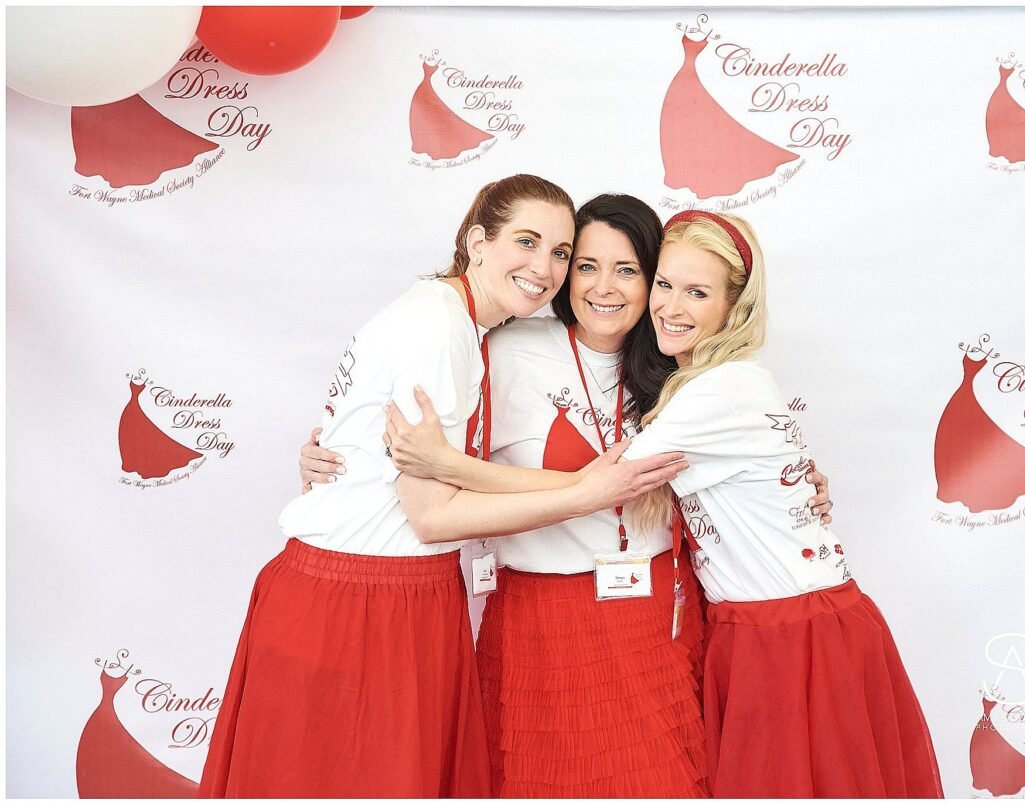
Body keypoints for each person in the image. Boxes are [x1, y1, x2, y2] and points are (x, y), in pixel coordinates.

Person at [300, 194, 834, 797]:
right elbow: (407, 437)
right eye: (585, 266)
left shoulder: (678, 365)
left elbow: (746, 458)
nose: (605, 287)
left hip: (660, 622)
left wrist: (800, 485)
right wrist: (338, 457)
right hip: (540, 627)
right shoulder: (501, 349)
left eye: (628, 270)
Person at [199, 176, 684, 799]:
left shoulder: (454, 324)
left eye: (559, 253)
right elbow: (431, 515)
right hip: (364, 595)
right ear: (476, 242)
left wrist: (362, 455)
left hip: (397, 591)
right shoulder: (444, 329)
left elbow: (399, 456)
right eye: (529, 243)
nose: (545, 268)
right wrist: (586, 491)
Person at [620, 210, 944, 798]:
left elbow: (603, 484)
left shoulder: (720, 389)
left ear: (734, 307)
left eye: (697, 292)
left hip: (790, 636)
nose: (670, 306)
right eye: (664, 284)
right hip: (783, 625)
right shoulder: (727, 381)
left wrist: (453, 472)